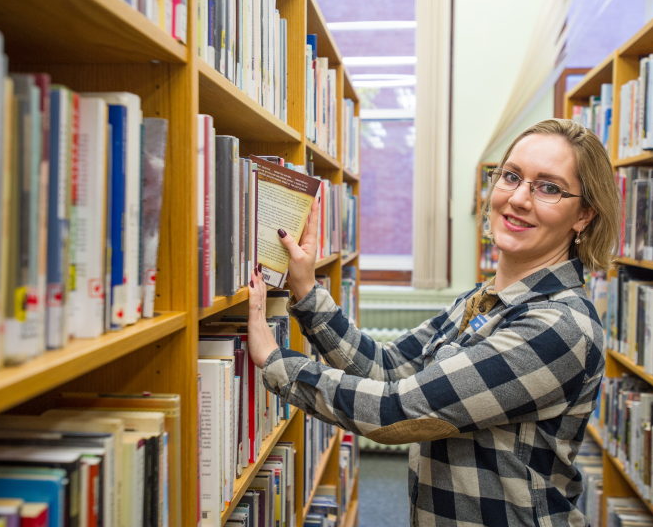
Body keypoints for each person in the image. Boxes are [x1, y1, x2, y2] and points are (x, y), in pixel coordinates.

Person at [246, 118, 621, 526]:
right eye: (510, 177)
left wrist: (275, 362)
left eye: (548, 187)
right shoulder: (482, 300)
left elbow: (397, 411)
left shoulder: (558, 327)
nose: (518, 199)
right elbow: (387, 368)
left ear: (584, 215)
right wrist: (305, 289)